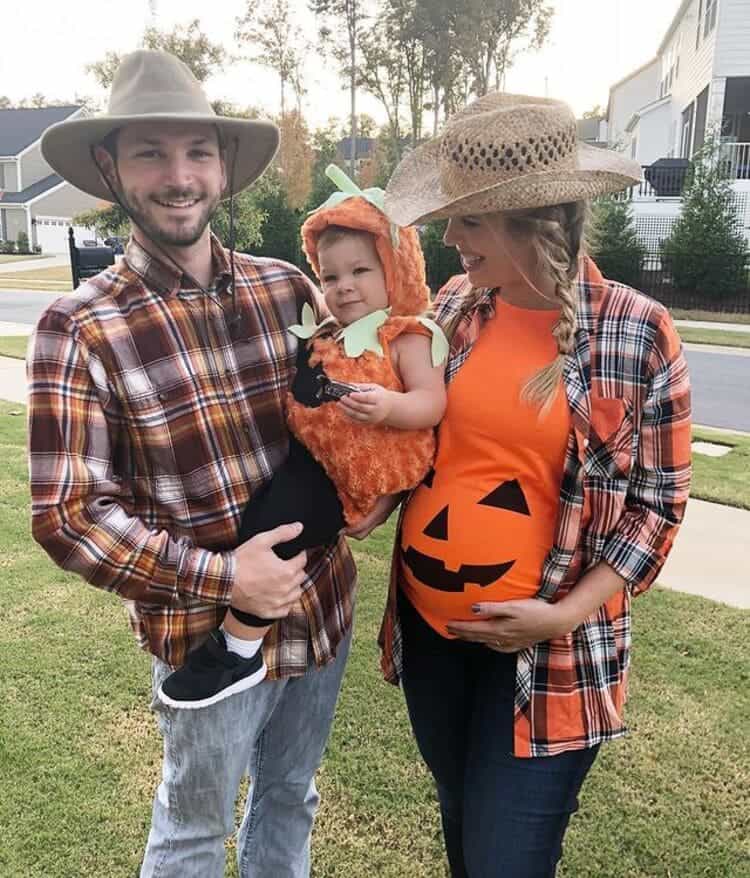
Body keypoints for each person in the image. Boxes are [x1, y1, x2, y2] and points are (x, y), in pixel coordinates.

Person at [29, 50, 356, 878]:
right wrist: (225, 578)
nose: (178, 176)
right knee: (191, 830)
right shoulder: (80, 327)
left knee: (291, 795)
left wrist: (372, 485)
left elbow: (353, 410)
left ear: (223, 169)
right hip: (202, 639)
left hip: (323, 612)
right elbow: (68, 515)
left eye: (197, 153)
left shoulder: (288, 290)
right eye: (150, 153)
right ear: (110, 168)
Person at [362, 92, 691, 877]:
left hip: (554, 661)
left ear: (532, 221)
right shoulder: (453, 307)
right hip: (433, 640)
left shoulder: (638, 331)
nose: (449, 239)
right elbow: (415, 445)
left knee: (505, 858)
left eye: (468, 222)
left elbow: (658, 506)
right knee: (463, 834)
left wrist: (559, 615)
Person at [158, 166, 448, 710]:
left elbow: (433, 404)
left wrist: (390, 406)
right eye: (332, 275)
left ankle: (237, 647)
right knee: (262, 517)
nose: (343, 286)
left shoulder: (407, 336)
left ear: (397, 271)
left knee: (281, 531)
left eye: (361, 270)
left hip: (350, 481)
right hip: (315, 461)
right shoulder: (329, 333)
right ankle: (238, 632)